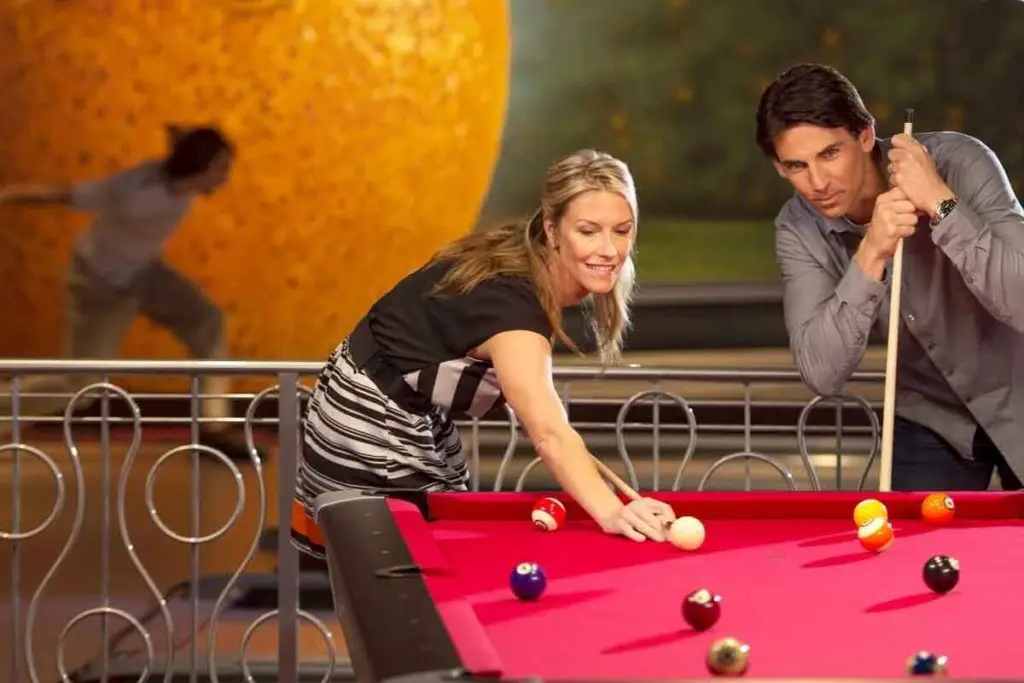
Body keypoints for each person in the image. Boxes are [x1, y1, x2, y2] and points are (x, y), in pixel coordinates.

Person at [291, 149, 676, 560]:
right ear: (551, 229)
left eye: (622, 230)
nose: (609, 250)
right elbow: (548, 433)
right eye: (588, 231)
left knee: (441, 552)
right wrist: (613, 512)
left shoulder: (523, 254)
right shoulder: (513, 305)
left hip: (401, 407)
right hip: (370, 419)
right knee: (411, 572)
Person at [757, 62, 1024, 491]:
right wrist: (872, 252)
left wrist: (940, 201)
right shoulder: (796, 226)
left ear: (864, 136)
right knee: (909, 555)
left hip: (1020, 388)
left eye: (829, 153)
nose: (818, 182)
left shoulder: (962, 162)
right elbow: (821, 373)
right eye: (796, 166)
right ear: (778, 167)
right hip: (931, 419)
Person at [0, 124, 260, 461]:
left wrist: (180, 136)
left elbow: (181, 146)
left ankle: (213, 427)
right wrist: (9, 194)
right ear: (202, 167)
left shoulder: (179, 181)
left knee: (207, 321)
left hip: (144, 272)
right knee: (79, 386)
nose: (225, 179)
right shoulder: (133, 192)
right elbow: (64, 194)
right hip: (100, 284)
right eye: (221, 169)